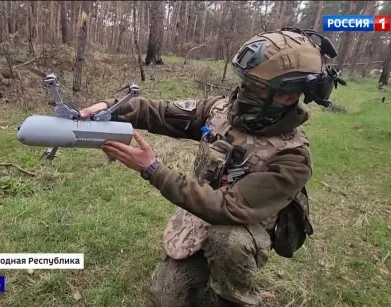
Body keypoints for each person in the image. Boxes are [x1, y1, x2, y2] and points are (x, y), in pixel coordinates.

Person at [80, 28, 344, 307]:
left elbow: (229, 208)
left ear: (289, 96)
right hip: (201, 213)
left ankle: (238, 298)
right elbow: (162, 112)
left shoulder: (293, 157)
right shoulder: (221, 111)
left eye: (256, 88)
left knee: (226, 241)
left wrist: (152, 169)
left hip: (241, 227)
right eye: (245, 83)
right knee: (167, 296)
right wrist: (112, 108)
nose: (244, 93)